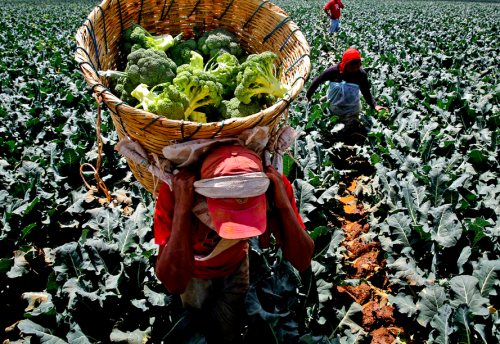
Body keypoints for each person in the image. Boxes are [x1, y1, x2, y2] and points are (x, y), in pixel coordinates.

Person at [154, 145, 314, 343]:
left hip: (236, 266)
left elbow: (302, 260)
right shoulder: (177, 190)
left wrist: (284, 207)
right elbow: (174, 284)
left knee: (228, 336)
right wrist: (181, 210)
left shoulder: (273, 187)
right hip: (193, 274)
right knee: (198, 333)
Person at [306, 47, 389, 128]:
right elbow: (317, 80)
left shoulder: (361, 74)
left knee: (350, 128)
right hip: (334, 108)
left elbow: (366, 92)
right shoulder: (333, 71)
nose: (356, 69)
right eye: (352, 68)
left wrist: (375, 105)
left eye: (358, 66)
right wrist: (308, 96)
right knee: (334, 126)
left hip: (352, 110)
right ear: (345, 65)